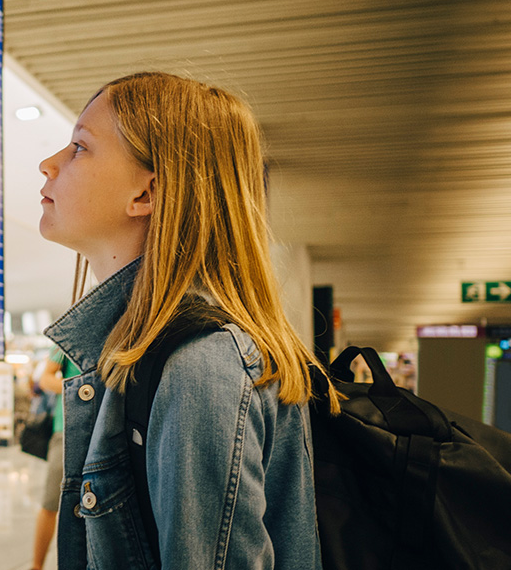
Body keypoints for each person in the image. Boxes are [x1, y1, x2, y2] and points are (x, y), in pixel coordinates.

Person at [37, 72, 340, 570]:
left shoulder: (201, 365)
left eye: (78, 148)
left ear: (147, 194)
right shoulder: (148, 351)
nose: (48, 164)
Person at [30, 347, 76, 570]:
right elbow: (46, 378)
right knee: (50, 501)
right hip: (65, 430)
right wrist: (79, 387)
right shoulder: (68, 334)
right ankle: (36, 565)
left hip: (104, 430)